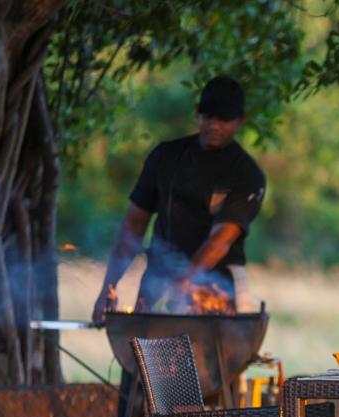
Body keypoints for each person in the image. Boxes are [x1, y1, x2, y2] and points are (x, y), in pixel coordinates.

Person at [91, 75, 265, 323]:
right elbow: (134, 224)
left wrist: (184, 283)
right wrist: (108, 286)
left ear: (240, 120)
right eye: (208, 116)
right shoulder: (165, 157)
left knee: (208, 360)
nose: (214, 125)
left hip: (216, 284)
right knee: (144, 359)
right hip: (157, 276)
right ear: (197, 113)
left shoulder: (247, 174)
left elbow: (221, 239)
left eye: (224, 119)